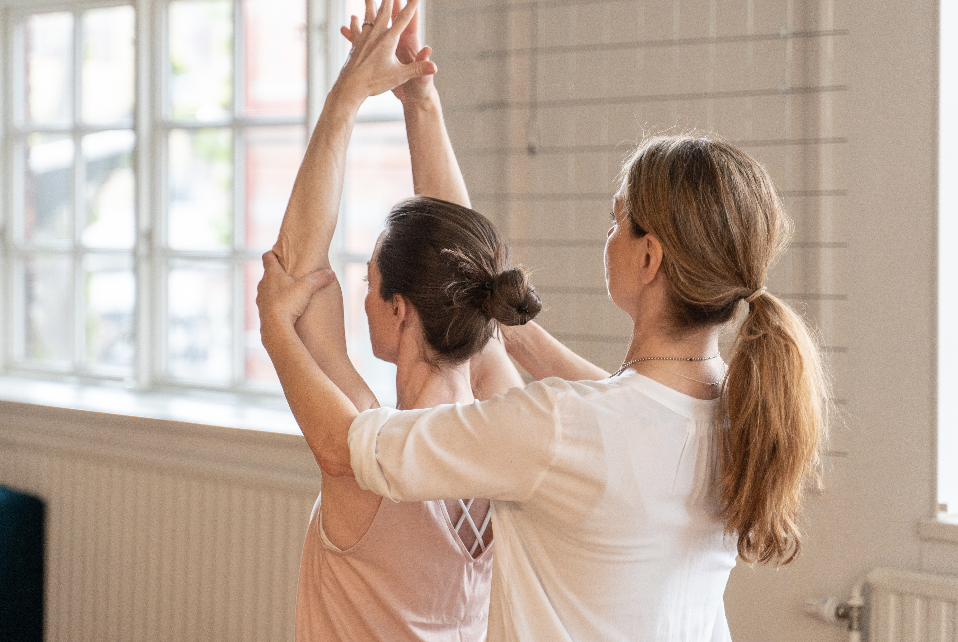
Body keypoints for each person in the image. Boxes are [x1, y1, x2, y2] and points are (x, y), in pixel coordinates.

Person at [260, 123, 830, 636]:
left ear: (649, 258)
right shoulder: (736, 408)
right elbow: (609, 397)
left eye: (617, 222)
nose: (608, 236)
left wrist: (274, 328)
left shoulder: (563, 426)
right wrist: (420, 101)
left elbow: (348, 446)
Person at [271, 0, 541, 641]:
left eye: (368, 286)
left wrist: (345, 98)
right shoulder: (502, 430)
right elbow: (466, 262)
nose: (359, 300)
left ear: (399, 311)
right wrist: (420, 101)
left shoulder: (373, 452)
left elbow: (296, 273)